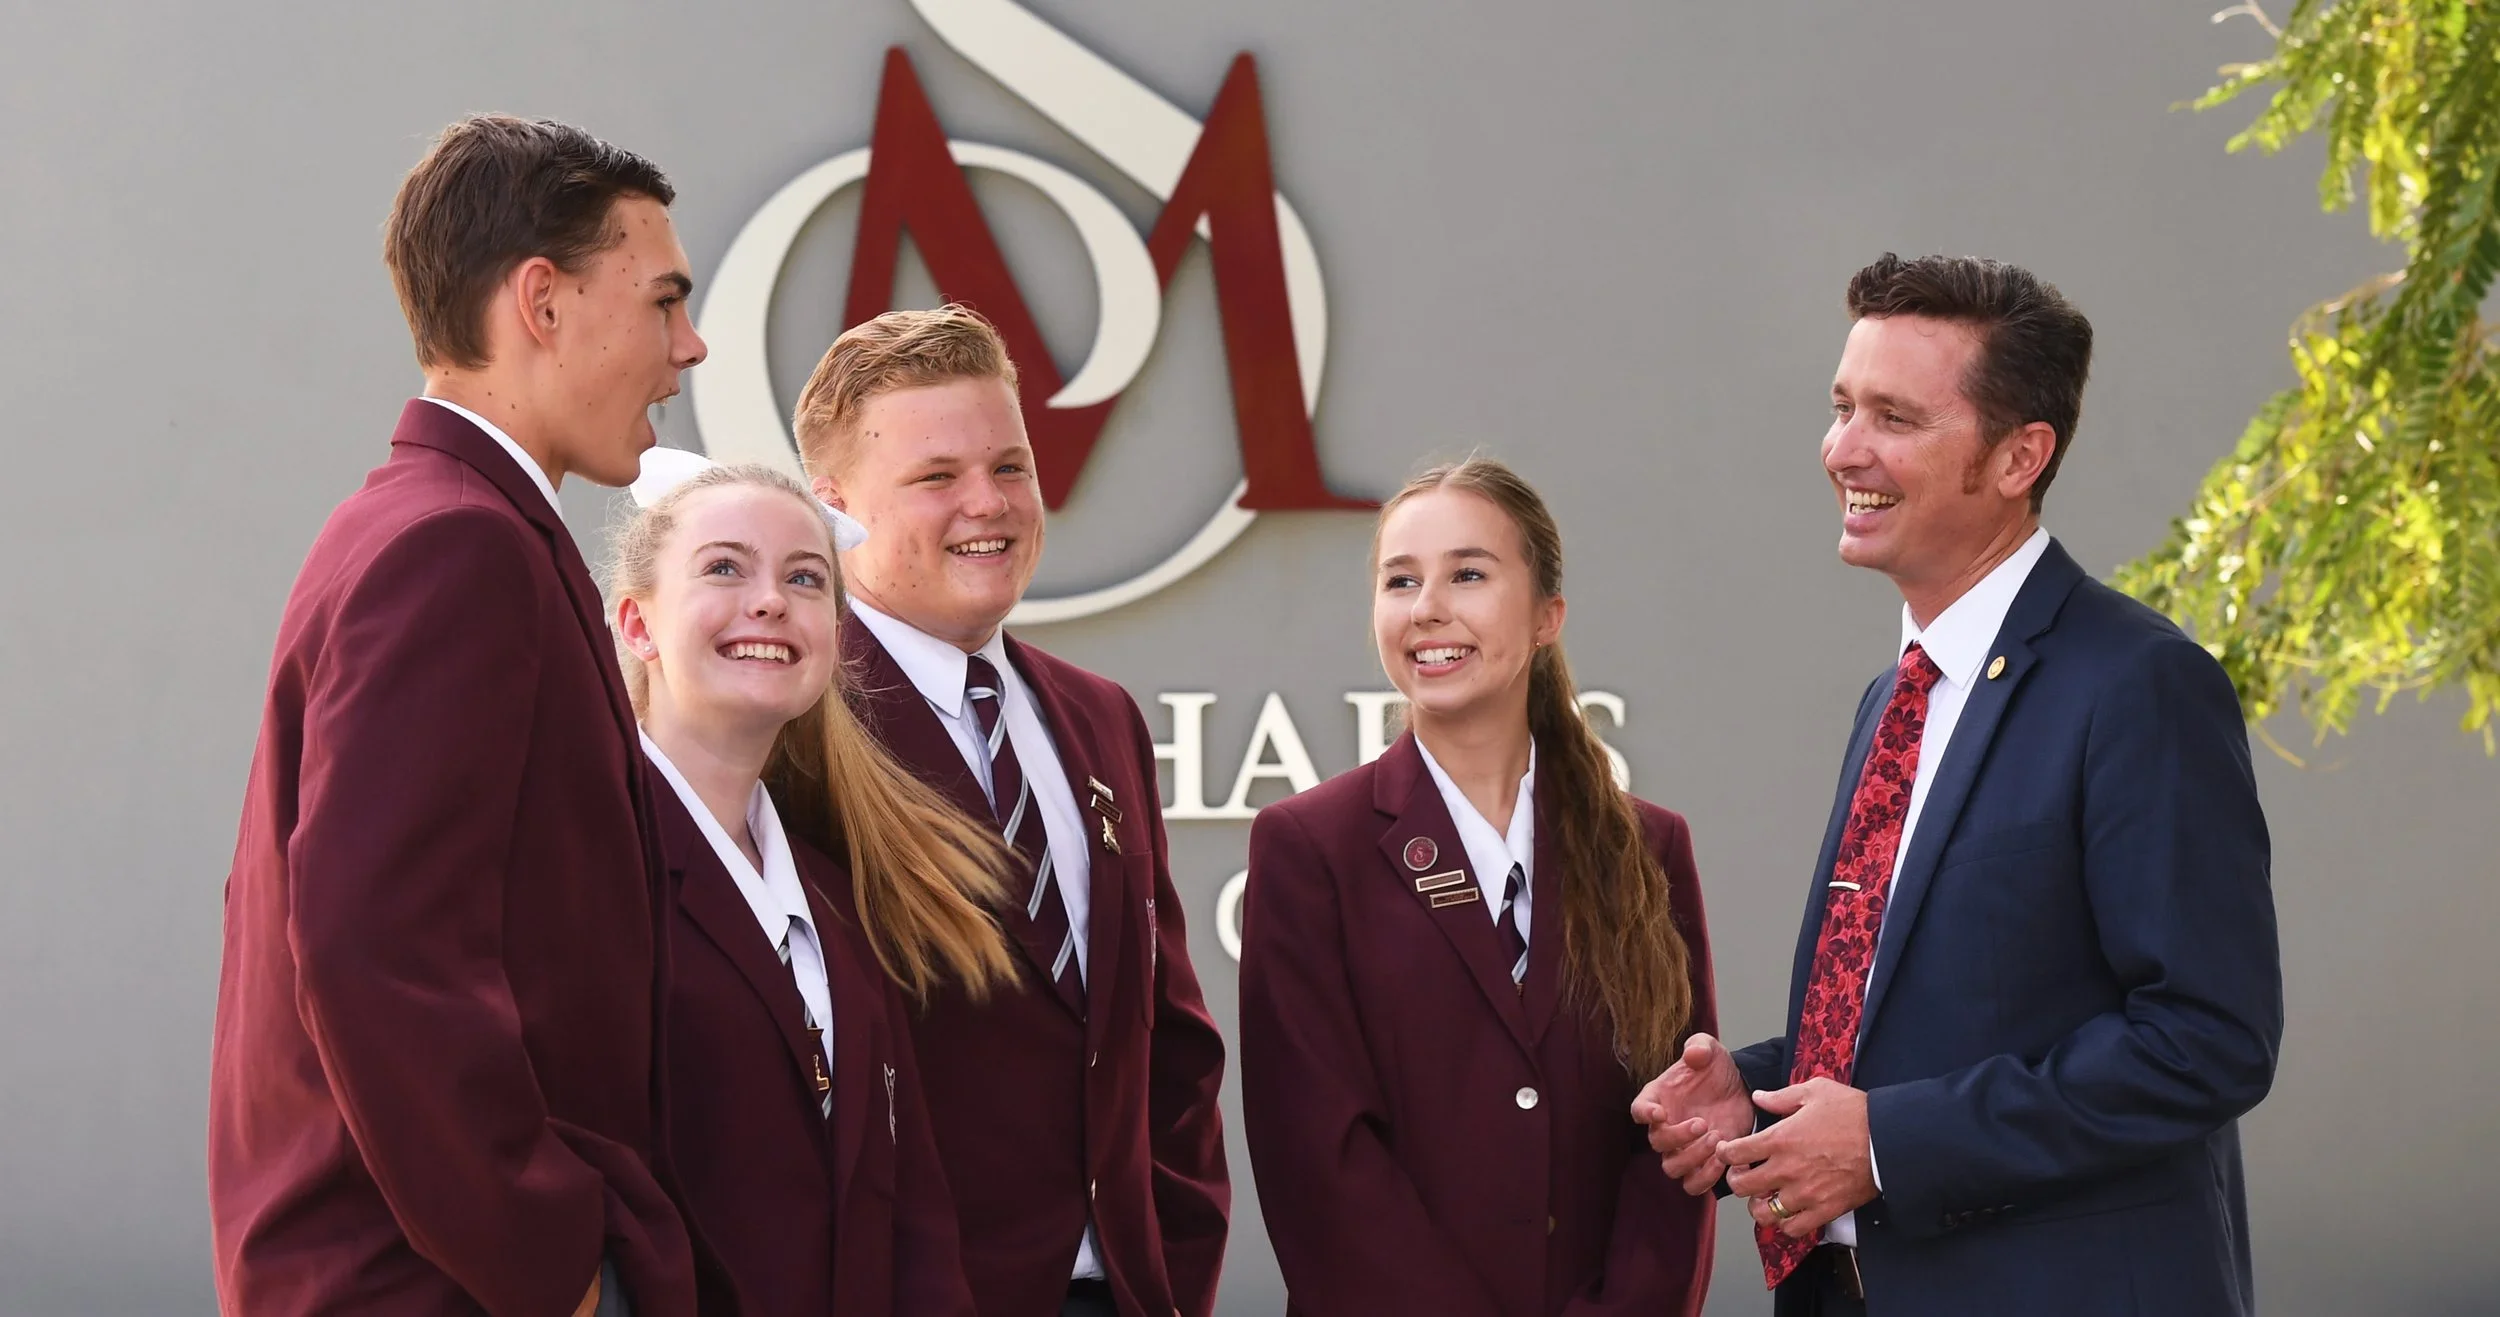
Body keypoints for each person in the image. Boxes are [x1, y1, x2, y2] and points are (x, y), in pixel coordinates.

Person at [1634, 253, 2282, 1317]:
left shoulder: (2140, 684)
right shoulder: (1893, 699)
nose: (1843, 448)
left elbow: (2205, 1041)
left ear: (2020, 454)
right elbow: (1931, 1015)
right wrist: (1755, 1093)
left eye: (1894, 416)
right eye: (1841, 406)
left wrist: (1887, 1145)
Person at [209, 116, 709, 1316]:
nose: (688, 348)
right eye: (661, 301)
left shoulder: (414, 524)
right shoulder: (457, 549)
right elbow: (373, 946)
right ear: (541, 301)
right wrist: (549, 1261)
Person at [792, 305, 1230, 1317]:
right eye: (936, 477)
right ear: (834, 507)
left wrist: (1170, 1272)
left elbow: (1165, 1044)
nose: (988, 504)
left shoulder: (1100, 718)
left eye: (1010, 467)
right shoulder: (794, 731)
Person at [1238, 456, 1718, 1317]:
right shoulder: (1310, 849)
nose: (1426, 607)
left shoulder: (1650, 847)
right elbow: (1319, 1157)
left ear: (1546, 617)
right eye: (1399, 580)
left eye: (1467, 573)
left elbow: (1679, 1137)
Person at [608, 454, 1010, 1317]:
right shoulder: (587, 862)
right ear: (636, 622)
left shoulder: (836, 898)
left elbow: (913, 1214)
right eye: (724, 567)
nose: (769, 600)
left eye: (804, 577)